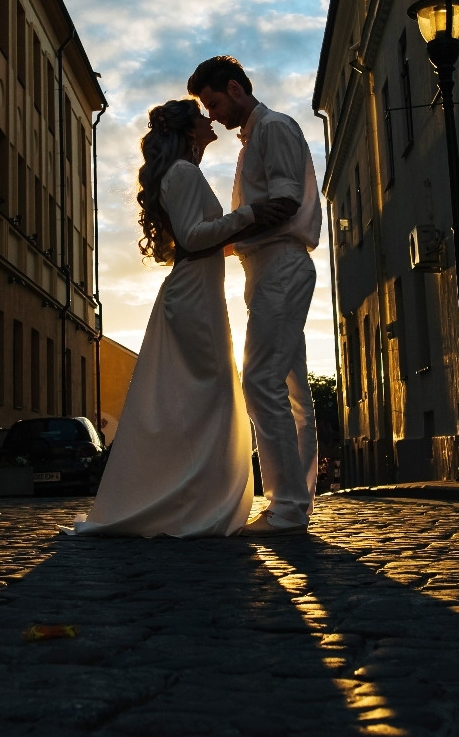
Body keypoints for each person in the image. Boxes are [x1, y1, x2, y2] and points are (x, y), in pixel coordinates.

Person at [72, 100, 290, 537]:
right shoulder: (184, 173)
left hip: (195, 290)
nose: (210, 121)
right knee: (209, 398)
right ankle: (196, 504)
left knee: (197, 400)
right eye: (201, 117)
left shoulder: (179, 173)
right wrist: (249, 215)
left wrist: (240, 228)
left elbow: (200, 235)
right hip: (194, 295)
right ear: (190, 130)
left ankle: (192, 498)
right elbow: (194, 236)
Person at [188, 56, 322, 536]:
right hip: (267, 266)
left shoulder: (273, 129)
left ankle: (286, 506)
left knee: (261, 380)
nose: (213, 116)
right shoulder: (253, 141)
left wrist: (219, 236)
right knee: (291, 390)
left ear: (235, 88)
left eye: (214, 102)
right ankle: (296, 502)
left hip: (280, 263)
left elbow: (284, 203)